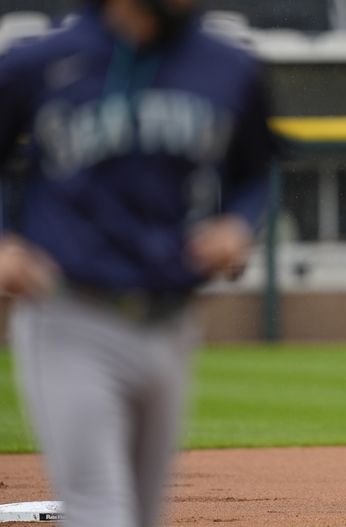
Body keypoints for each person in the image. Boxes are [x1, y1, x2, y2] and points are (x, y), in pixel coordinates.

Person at [0, 0, 278, 525]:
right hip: (68, 310)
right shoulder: (41, 62)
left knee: (144, 513)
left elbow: (255, 169)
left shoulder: (227, 66)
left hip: (170, 320)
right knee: (100, 508)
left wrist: (238, 223)